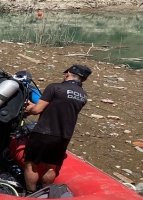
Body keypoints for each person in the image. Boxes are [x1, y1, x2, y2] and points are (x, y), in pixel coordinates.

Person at [23, 64, 92, 192]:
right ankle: (45, 192)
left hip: (44, 131)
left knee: (31, 163)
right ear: (84, 79)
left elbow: (37, 110)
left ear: (68, 74)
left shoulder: (55, 87)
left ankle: (30, 193)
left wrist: (29, 108)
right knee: (50, 167)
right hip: (64, 135)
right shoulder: (83, 95)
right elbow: (61, 107)